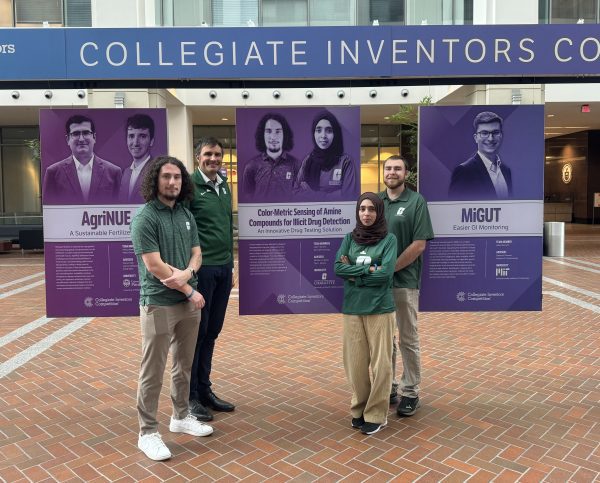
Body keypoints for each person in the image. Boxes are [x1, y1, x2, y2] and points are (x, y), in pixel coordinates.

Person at [131, 155, 212, 461]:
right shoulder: (145, 218)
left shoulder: (185, 214)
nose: (173, 182)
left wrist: (187, 274)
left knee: (184, 365)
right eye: (166, 177)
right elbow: (154, 266)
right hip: (158, 305)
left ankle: (180, 417)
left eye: (177, 177)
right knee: (152, 371)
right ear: (156, 180)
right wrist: (189, 288)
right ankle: (147, 432)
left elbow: (197, 254)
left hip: (187, 305)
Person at [335, 192, 397, 435]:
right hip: (353, 308)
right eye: (362, 209)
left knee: (382, 364)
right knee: (355, 364)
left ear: (378, 212)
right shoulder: (349, 238)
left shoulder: (389, 239)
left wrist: (355, 274)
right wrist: (370, 268)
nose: (367, 214)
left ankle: (377, 413)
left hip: (380, 308)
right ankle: (359, 408)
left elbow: (386, 274)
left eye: (372, 209)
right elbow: (337, 268)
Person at [379, 156, 434, 417]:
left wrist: (390, 269)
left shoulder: (416, 201)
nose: (392, 172)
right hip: (378, 285)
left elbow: (419, 244)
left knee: (407, 338)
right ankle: (389, 386)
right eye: (388, 168)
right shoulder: (376, 202)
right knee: (385, 340)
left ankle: (410, 391)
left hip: (404, 282)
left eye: (397, 169)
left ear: (406, 173)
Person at [188, 137, 235, 422]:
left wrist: (231, 264)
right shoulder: (190, 186)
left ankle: (205, 390)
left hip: (223, 268)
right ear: (198, 157)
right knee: (198, 334)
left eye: (218, 155)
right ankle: (191, 395)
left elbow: (226, 226)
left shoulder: (224, 184)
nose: (213, 159)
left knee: (213, 331)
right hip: (202, 270)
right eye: (208, 154)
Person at [43, 114, 121, 204]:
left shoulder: (113, 172)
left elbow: (120, 209)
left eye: (86, 133)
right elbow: (49, 211)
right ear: (68, 139)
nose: (81, 139)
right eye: (75, 134)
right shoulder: (53, 172)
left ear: (94, 137)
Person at [448, 111, 513, 200]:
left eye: (495, 132)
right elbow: (455, 208)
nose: (490, 138)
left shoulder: (506, 171)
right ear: (476, 138)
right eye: (484, 133)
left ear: (501, 135)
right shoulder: (464, 172)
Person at [297, 110, 357, 200]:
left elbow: (347, 195)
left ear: (335, 134)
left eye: (329, 130)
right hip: (310, 212)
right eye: (318, 130)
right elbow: (296, 191)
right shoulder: (308, 160)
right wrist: (335, 194)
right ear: (314, 133)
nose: (323, 135)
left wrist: (313, 195)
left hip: (337, 213)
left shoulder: (345, 162)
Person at [241, 113, 301, 202]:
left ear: (285, 135)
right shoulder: (251, 166)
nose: (273, 137)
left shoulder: (296, 165)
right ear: (262, 135)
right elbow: (247, 197)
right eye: (268, 131)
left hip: (287, 214)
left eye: (278, 131)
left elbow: (300, 196)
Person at [120, 114, 155, 203]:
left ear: (151, 141)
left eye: (142, 136)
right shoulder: (125, 173)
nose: (135, 143)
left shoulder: (157, 171)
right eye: (131, 136)